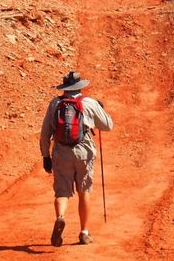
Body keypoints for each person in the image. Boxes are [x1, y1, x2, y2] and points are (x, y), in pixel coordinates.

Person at [40, 70, 113, 246]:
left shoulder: (55, 103)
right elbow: (108, 126)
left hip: (61, 153)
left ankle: (61, 217)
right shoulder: (88, 102)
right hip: (84, 152)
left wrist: (45, 156)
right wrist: (99, 110)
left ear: (65, 87)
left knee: (62, 192)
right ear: (80, 86)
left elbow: (45, 133)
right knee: (84, 192)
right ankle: (84, 233)